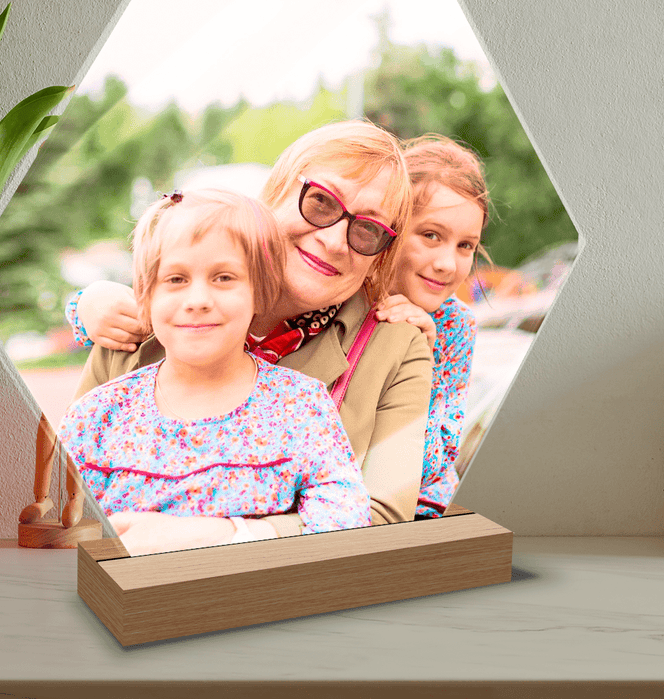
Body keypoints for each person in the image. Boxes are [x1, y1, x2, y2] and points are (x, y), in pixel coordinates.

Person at [68, 120, 433, 552]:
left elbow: (382, 518)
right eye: (320, 201)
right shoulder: (142, 325)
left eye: (368, 230)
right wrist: (85, 303)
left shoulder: (394, 349)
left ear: (379, 258)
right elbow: (64, 502)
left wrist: (227, 534)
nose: (335, 240)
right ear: (273, 196)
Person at [57, 190, 371, 553]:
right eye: (175, 279)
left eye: (224, 278)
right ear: (146, 296)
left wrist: (233, 537)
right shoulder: (98, 415)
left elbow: (344, 520)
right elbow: (55, 534)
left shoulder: (300, 406)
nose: (199, 300)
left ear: (260, 292)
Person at [376, 135, 489, 517]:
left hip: (423, 507)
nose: (447, 263)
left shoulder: (455, 324)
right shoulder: (345, 300)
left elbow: (430, 465)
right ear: (391, 225)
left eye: (465, 246)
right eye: (431, 235)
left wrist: (421, 357)